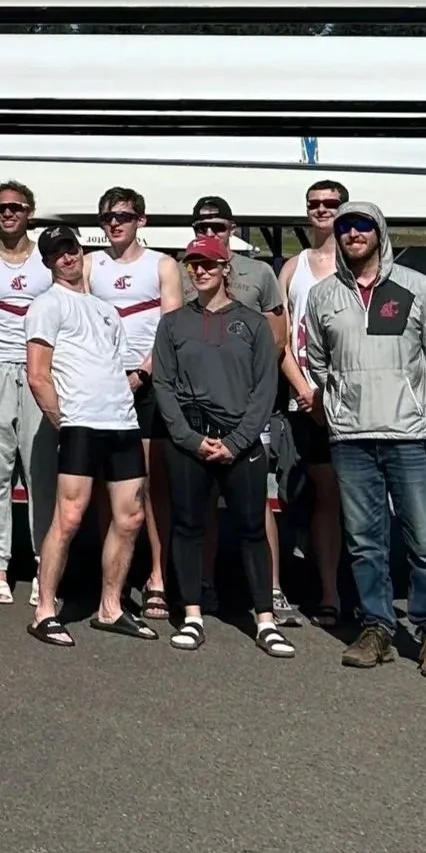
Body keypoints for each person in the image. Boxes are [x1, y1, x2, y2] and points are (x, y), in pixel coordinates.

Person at [302, 200, 426, 678]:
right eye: (345, 226)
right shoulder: (323, 295)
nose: (353, 233)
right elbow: (318, 361)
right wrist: (340, 405)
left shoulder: (417, 287)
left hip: (409, 435)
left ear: (379, 232)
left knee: (425, 542)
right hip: (351, 437)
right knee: (365, 543)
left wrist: (419, 406)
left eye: (362, 225)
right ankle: (376, 627)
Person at [151, 236, 292, 657]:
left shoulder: (252, 322)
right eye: (193, 264)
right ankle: (192, 615)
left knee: (252, 529)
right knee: (187, 526)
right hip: (190, 441)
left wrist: (236, 441)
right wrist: (190, 439)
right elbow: (163, 384)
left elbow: (265, 387)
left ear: (225, 267)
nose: (200, 271)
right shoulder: (173, 323)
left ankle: (264, 620)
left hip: (240, 441)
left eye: (209, 263)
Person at [23, 226, 151, 645]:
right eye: (57, 253)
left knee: (130, 518)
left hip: (122, 424)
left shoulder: (106, 310)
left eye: (72, 249)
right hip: (80, 424)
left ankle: (110, 608)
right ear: (48, 262)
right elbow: (38, 375)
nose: (67, 257)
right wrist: (65, 421)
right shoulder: (46, 305)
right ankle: (44, 611)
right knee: (70, 517)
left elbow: (115, 366)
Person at [184, 193, 294, 622]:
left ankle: (273, 588)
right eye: (202, 227)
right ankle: (204, 585)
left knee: (256, 499)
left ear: (232, 228)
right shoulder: (185, 269)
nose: (210, 232)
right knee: (205, 499)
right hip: (199, 407)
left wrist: (256, 390)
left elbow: (278, 338)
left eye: (218, 226)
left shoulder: (259, 273)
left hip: (247, 405)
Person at [88, 185, 186, 622]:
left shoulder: (162, 265)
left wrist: (143, 373)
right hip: (103, 385)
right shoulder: (90, 264)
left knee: (150, 487)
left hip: (149, 384)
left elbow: (171, 328)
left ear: (140, 220)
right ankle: (112, 577)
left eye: (123, 216)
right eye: (108, 217)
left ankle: (158, 577)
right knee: (106, 487)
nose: (115, 223)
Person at [0, 180, 53, 605]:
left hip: (39, 369)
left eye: (16, 207)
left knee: (41, 472)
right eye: (1, 208)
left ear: (29, 212)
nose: (8, 214)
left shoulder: (48, 260)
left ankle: (43, 564)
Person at [275, 178, 349, 625]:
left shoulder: (357, 260)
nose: (322, 210)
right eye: (314, 204)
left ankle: (343, 590)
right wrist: (304, 391)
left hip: (351, 401)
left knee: (346, 497)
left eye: (330, 203)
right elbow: (281, 340)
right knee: (307, 494)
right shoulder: (293, 267)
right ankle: (322, 591)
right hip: (303, 401)